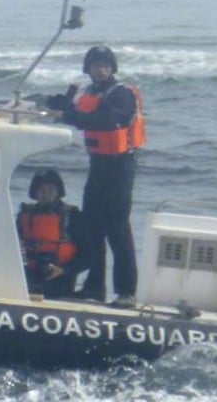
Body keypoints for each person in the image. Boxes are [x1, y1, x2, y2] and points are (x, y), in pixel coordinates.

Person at [46, 45, 145, 308]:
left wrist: (68, 115)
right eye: (95, 65)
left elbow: (108, 120)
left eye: (105, 65)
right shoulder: (86, 91)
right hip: (98, 164)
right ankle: (94, 289)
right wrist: (52, 104)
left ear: (112, 68)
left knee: (117, 228)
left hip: (120, 168)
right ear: (87, 69)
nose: (100, 70)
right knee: (93, 227)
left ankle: (126, 292)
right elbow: (69, 108)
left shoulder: (123, 94)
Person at [16, 168, 89, 298]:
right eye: (41, 190)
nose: (46, 194)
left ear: (58, 191)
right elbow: (12, 245)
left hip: (61, 280)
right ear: (34, 192)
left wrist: (64, 270)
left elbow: (88, 255)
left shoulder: (72, 216)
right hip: (29, 276)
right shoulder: (24, 215)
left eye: (50, 189)